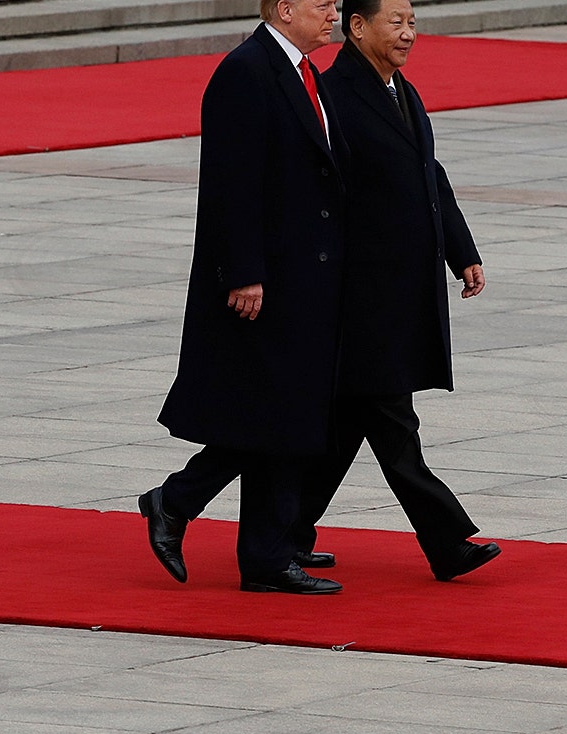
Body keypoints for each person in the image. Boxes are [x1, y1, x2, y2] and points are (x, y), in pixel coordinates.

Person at [139, 0, 347, 595]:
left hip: (304, 277)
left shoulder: (305, 72)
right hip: (264, 281)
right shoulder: (246, 71)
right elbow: (230, 182)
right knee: (274, 413)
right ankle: (194, 513)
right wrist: (243, 273)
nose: (333, 13)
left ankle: (251, 546)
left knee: (279, 414)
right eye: (322, 3)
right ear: (284, 8)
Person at [299, 0, 499, 582]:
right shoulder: (334, 95)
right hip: (361, 294)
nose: (409, 33)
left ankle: (281, 533)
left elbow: (428, 174)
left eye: (412, 23)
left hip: (398, 290)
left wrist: (461, 250)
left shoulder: (399, 90)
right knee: (393, 423)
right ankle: (447, 541)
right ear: (358, 27)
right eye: (397, 22)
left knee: (346, 426)